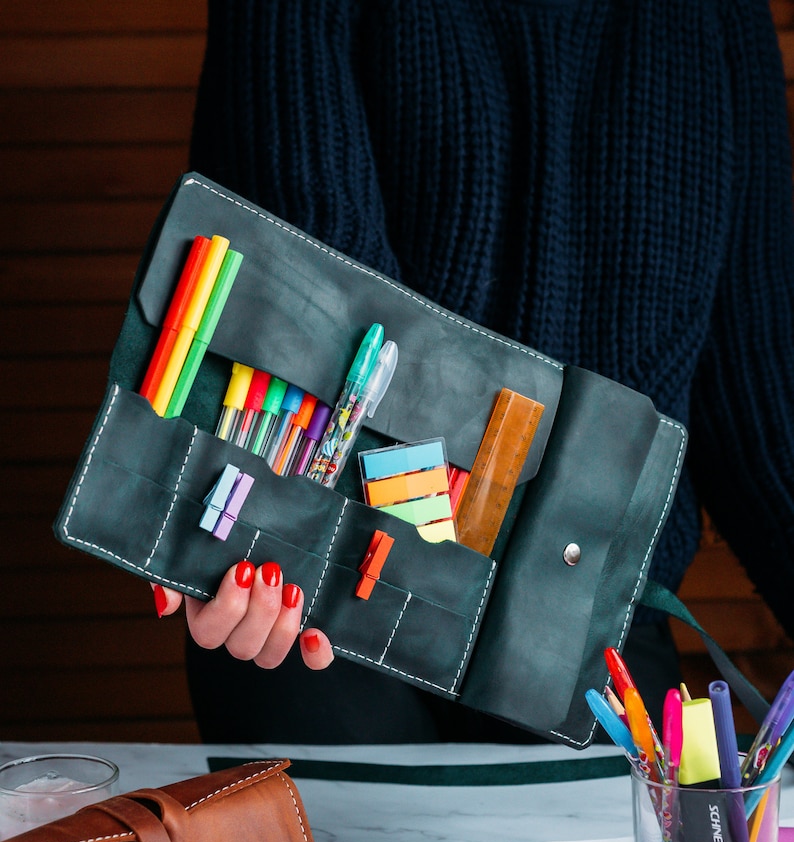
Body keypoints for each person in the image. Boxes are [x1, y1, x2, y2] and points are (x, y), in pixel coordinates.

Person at [155, 0, 794, 743]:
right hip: (324, 604)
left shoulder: (720, 20)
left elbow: (765, 418)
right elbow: (319, 320)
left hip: (591, 629)